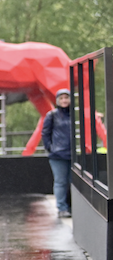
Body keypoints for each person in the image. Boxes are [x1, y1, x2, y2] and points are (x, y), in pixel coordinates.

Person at [42, 89, 72, 218]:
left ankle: (72, 206)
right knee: (60, 181)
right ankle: (62, 208)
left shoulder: (74, 115)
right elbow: (45, 133)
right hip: (58, 155)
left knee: (74, 182)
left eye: (66, 98)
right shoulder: (52, 115)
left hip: (72, 155)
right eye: (61, 98)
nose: (64, 101)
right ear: (57, 100)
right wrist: (51, 148)